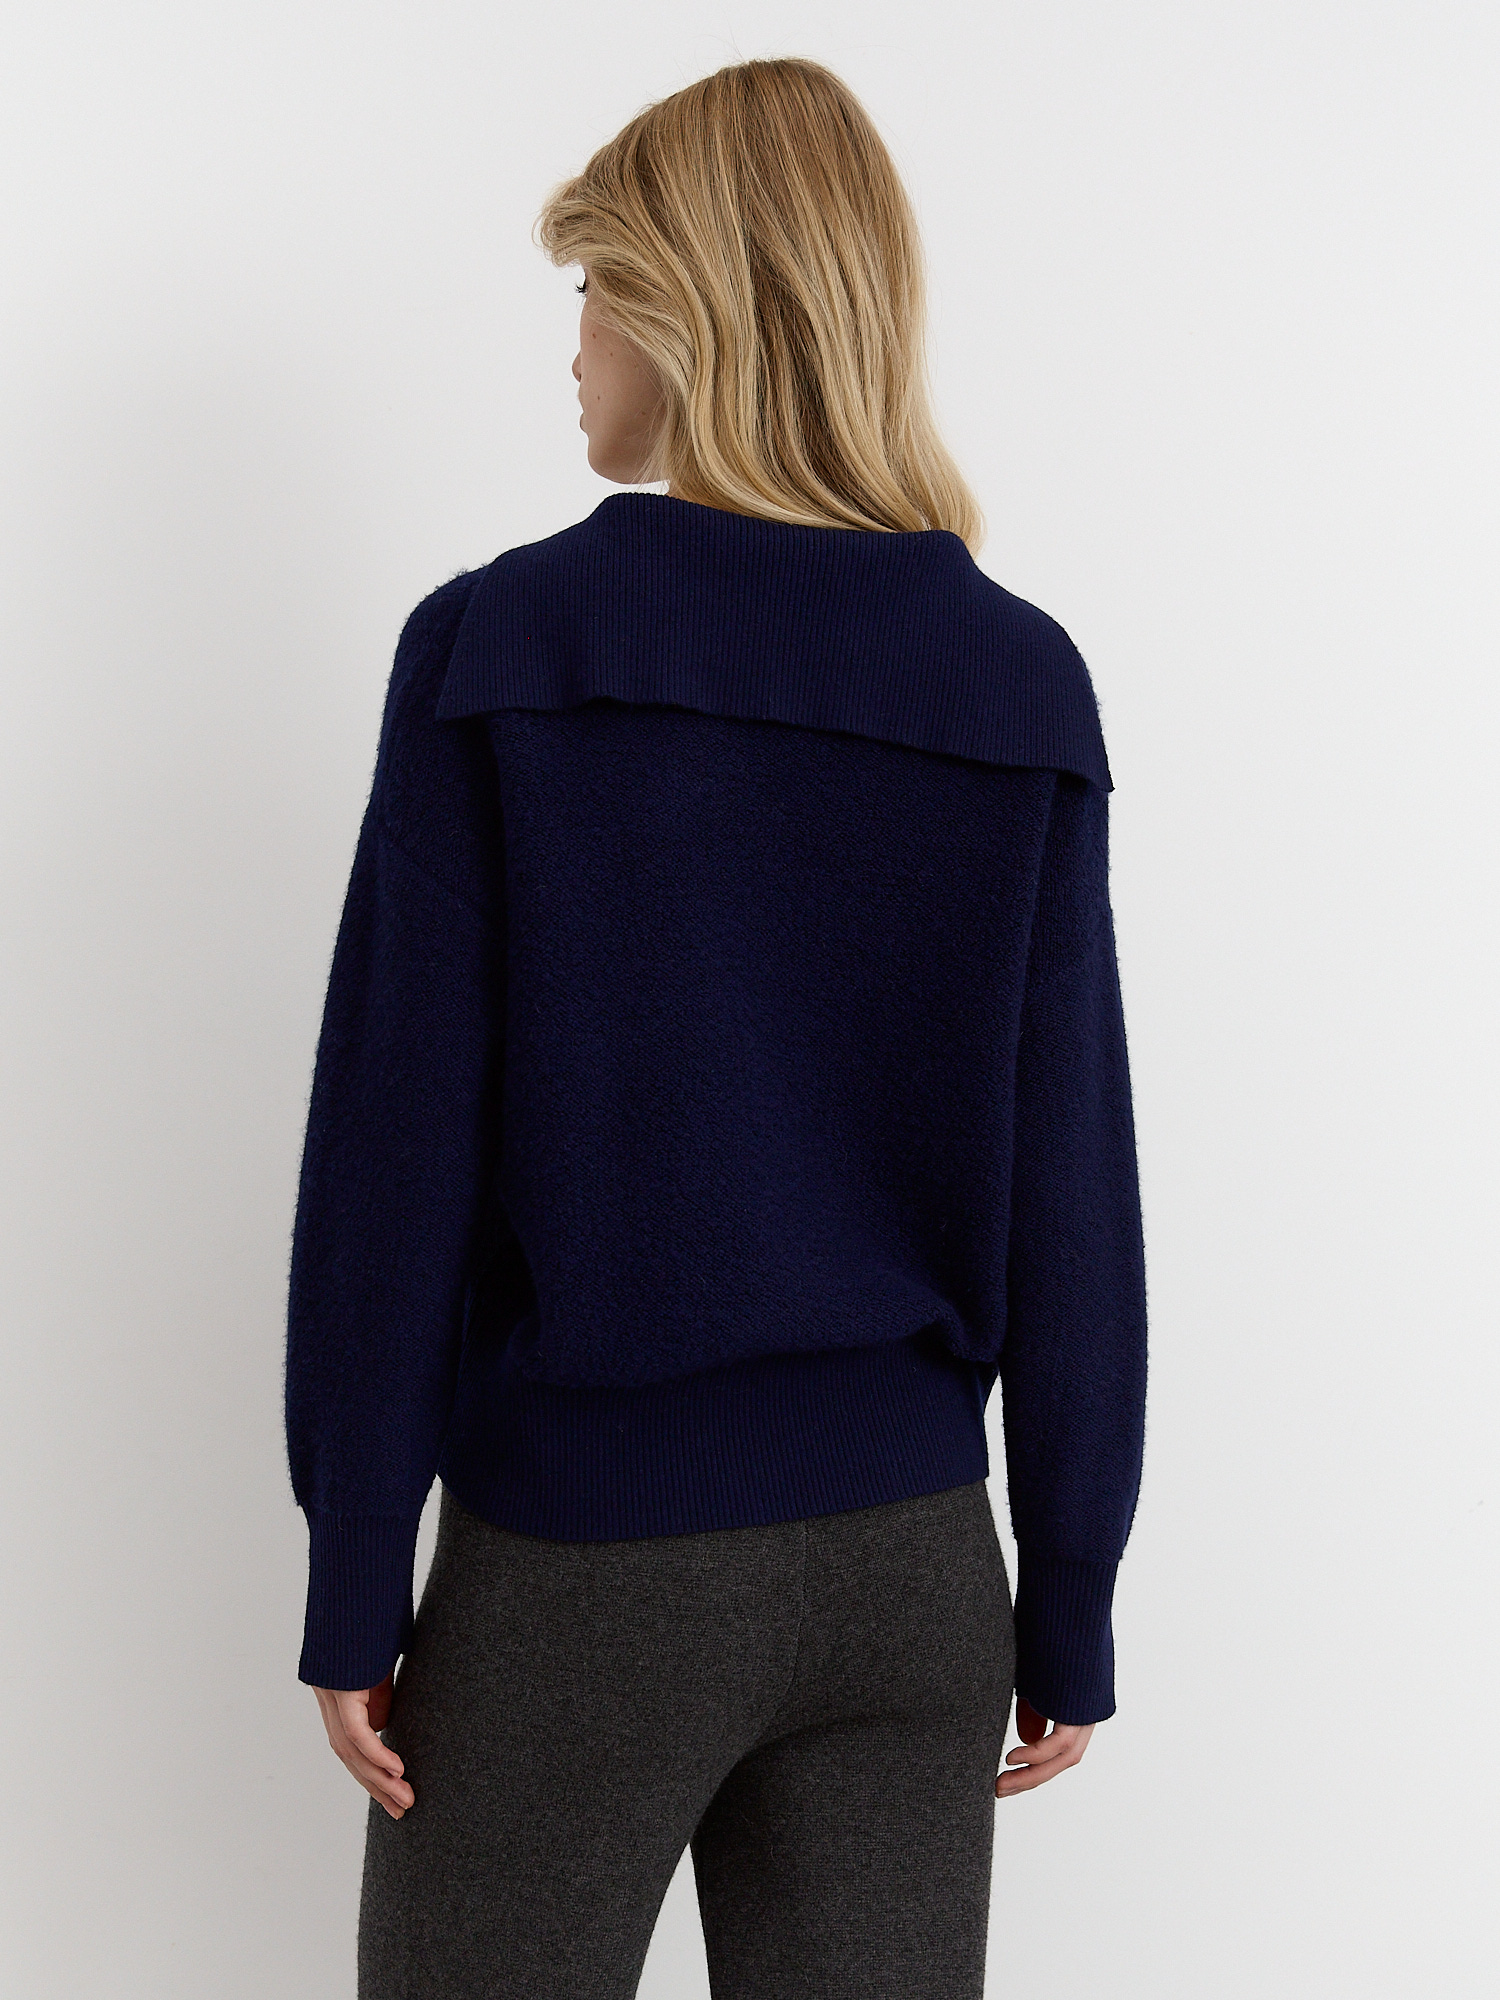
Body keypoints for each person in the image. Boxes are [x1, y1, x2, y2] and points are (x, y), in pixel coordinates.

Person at [285, 54, 1147, 2000]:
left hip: (589, 1567)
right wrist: (1070, 1591)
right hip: (914, 1572)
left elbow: (399, 1156)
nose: (574, 344)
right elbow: (1072, 1185)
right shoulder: (1018, 680)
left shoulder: (505, 647)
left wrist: (354, 1571)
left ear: (687, 309)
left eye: (595, 287)